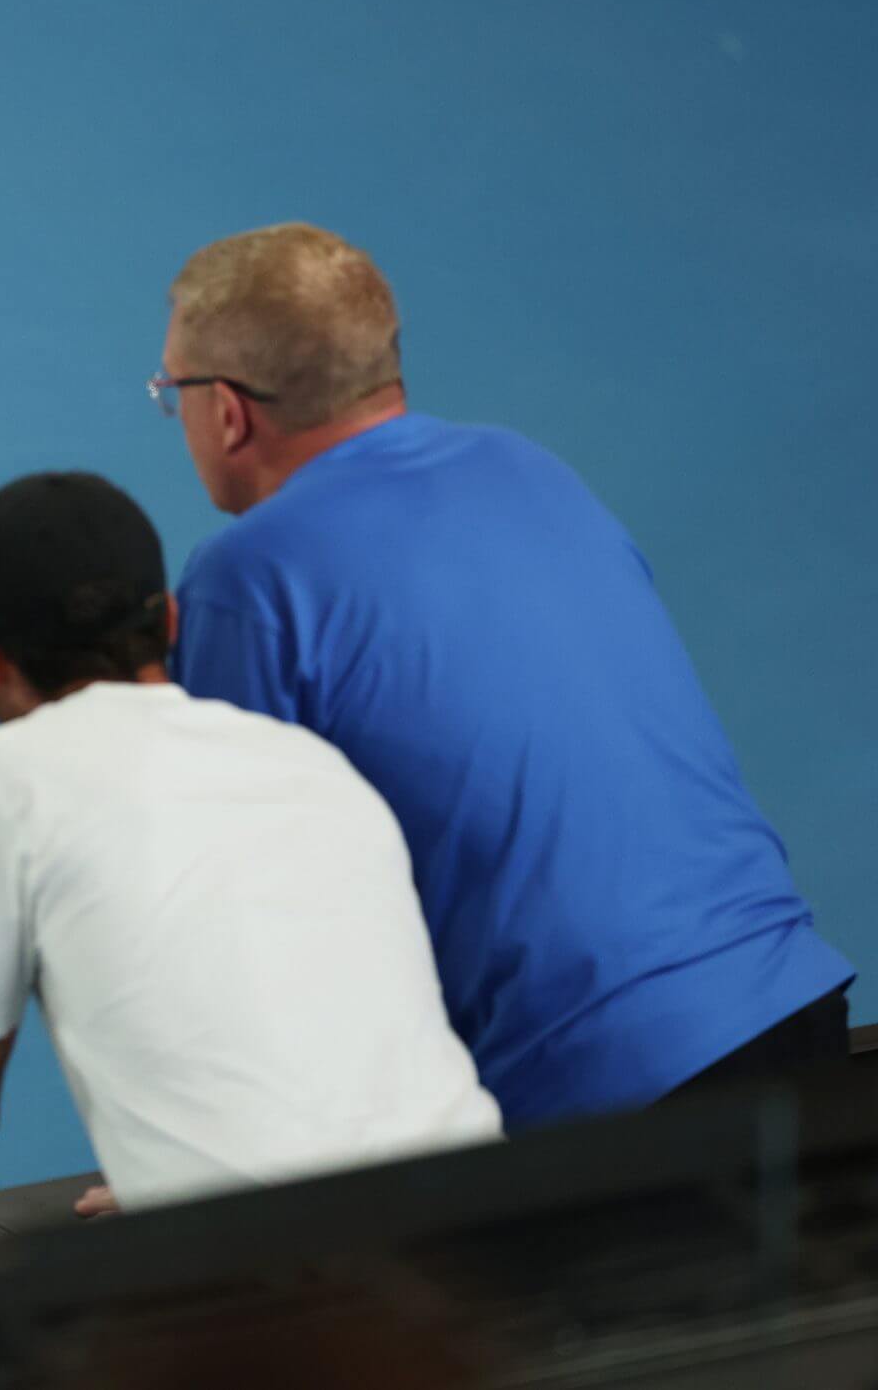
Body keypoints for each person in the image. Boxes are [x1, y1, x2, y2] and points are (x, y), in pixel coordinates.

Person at [156, 222, 852, 1129]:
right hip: (801, 1024)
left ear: (229, 411)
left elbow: (244, 924)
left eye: (171, 393)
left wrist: (205, 1172)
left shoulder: (246, 578)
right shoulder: (534, 469)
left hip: (605, 1105)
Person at [0, 473, 499, 1249]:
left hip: (294, 1300)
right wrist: (175, 1181)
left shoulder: (5, 777)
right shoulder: (313, 766)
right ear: (170, 621)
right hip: (494, 1245)